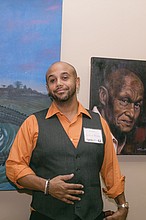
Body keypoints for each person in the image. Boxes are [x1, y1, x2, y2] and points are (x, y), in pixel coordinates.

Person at [6, 61, 128, 220]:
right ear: (48, 88)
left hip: (92, 216)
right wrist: (47, 186)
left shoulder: (99, 122)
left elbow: (110, 169)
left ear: (77, 82)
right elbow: (14, 167)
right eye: (52, 80)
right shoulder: (33, 123)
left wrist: (123, 205)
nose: (58, 84)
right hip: (46, 215)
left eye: (65, 77)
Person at [92, 65, 144, 154]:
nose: (132, 114)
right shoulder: (82, 129)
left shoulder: (131, 142)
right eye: (124, 101)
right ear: (103, 96)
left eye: (137, 105)